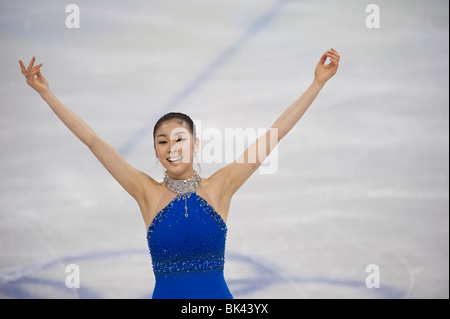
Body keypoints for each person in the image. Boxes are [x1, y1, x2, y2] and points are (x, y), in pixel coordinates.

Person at [18, 48, 340, 298]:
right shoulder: (146, 192)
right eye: (162, 141)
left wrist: (317, 84)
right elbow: (92, 140)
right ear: (155, 150)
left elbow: (274, 135)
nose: (171, 147)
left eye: (179, 139)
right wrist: (46, 94)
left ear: (195, 145)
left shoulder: (221, 187)